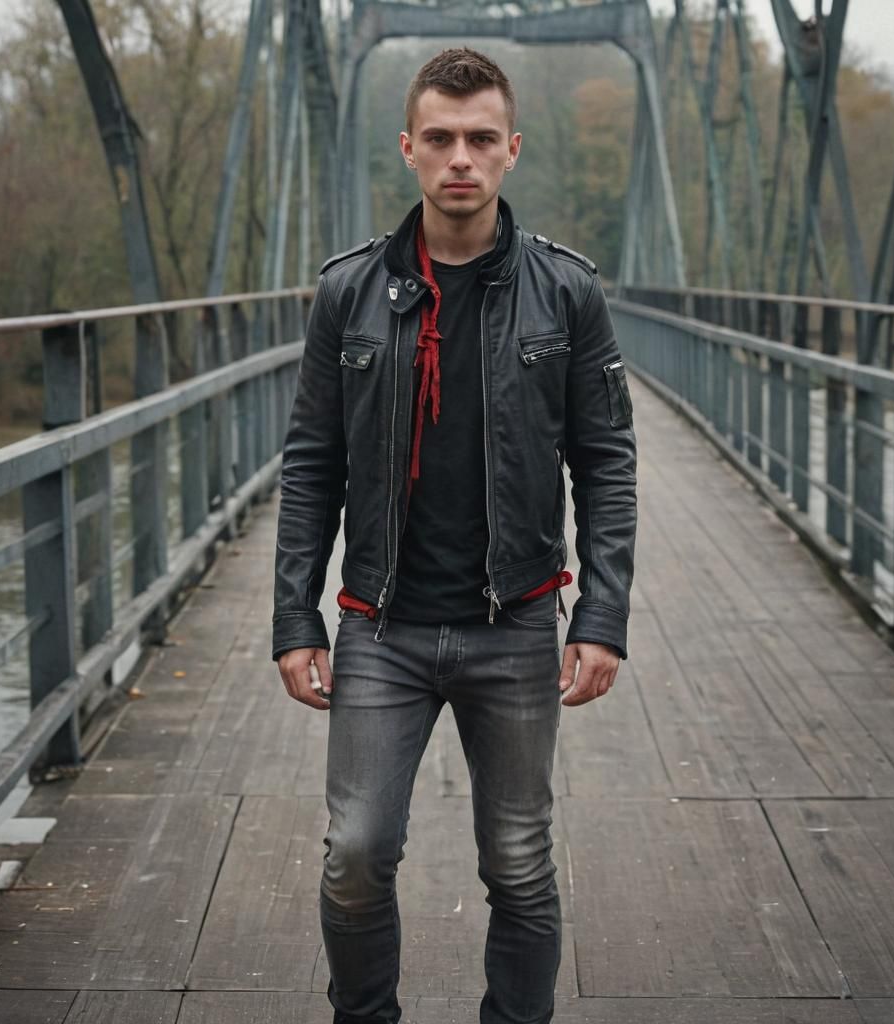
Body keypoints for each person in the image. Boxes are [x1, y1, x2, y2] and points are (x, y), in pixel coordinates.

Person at [273, 47, 637, 1024]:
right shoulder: (345, 294)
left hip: (515, 623)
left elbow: (606, 463)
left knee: (519, 862)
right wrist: (291, 618)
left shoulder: (566, 294)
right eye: (440, 138)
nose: (460, 158)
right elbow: (311, 462)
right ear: (408, 149)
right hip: (379, 625)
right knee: (354, 854)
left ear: (512, 150)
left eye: (480, 139)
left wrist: (600, 612)